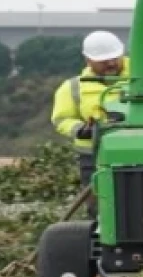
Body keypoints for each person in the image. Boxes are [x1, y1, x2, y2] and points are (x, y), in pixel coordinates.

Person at [49, 31, 132, 216]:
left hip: (137, 154)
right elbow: (61, 119)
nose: (111, 64)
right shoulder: (73, 87)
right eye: (103, 61)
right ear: (88, 60)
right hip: (93, 158)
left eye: (114, 58)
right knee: (101, 209)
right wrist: (80, 130)